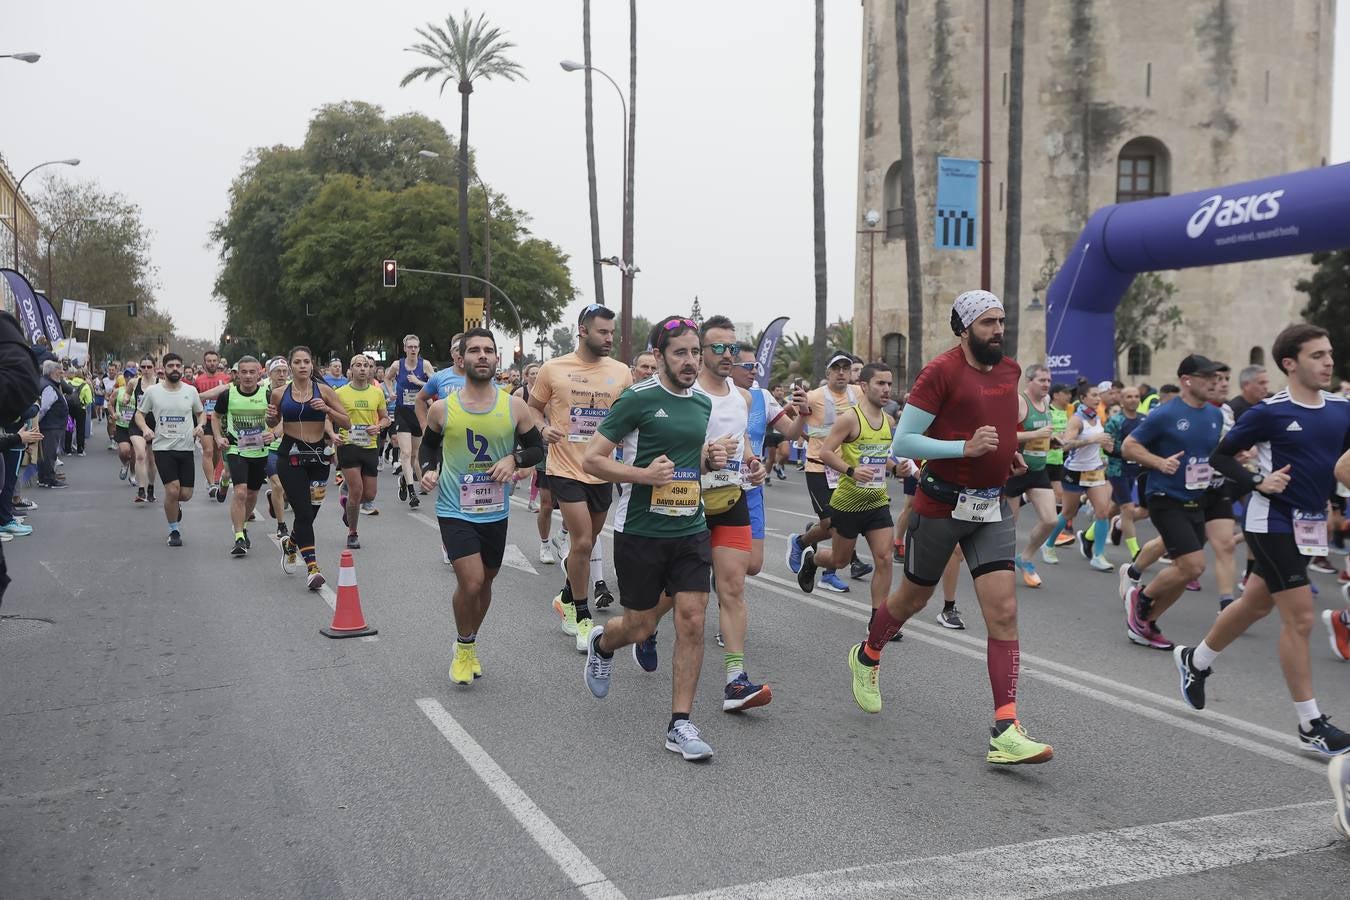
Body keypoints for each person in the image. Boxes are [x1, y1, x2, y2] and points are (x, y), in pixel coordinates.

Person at [847, 290, 1053, 766]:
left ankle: (1005, 728)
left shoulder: (1009, 371)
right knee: (912, 600)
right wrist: (965, 449)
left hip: (991, 506)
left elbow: (995, 427)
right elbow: (904, 441)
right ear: (963, 329)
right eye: (987, 323)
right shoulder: (940, 372)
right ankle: (868, 653)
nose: (998, 330)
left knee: (1004, 612)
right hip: (941, 505)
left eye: (1001, 321)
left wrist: (1007, 454)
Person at [1172, 325, 1350, 756]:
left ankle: (1195, 660)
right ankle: (1310, 723)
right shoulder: (1270, 411)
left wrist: (1333, 504)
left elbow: (1336, 463)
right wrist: (1257, 481)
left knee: (1255, 604)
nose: (1328, 362)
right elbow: (1220, 456)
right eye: (1317, 355)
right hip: (1271, 521)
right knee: (1300, 619)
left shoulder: (1342, 409)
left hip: (1309, 524)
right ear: (1290, 363)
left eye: (1329, 353)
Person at [579, 315, 728, 761]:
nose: (690, 361)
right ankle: (603, 643)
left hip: (690, 528)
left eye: (695, 352)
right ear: (660, 356)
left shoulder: (701, 403)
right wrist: (643, 475)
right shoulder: (637, 399)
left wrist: (710, 459)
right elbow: (592, 460)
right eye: (680, 352)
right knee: (640, 626)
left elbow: (689, 459)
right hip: (641, 532)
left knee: (693, 619)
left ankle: (680, 723)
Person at [418, 328, 545, 685]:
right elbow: (428, 448)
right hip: (454, 508)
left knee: (486, 580)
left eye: (488, 350)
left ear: (496, 358)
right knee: (471, 581)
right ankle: (463, 647)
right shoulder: (443, 408)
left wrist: (513, 459)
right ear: (461, 359)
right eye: (474, 350)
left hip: (495, 510)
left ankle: (470, 641)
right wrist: (428, 470)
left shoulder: (514, 406)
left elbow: (536, 449)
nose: (483, 355)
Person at [529, 304, 632, 652]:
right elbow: (533, 408)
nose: (609, 338)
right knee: (584, 542)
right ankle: (583, 617)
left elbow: (629, 416)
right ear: (583, 331)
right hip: (564, 468)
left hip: (601, 469)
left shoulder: (621, 372)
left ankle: (565, 597)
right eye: (603, 332)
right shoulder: (553, 368)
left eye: (612, 332)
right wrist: (542, 428)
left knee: (584, 545)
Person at [686, 316, 772, 709]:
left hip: (731, 501)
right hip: (689, 503)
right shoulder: (687, 395)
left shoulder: (743, 398)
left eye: (732, 348)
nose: (726, 354)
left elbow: (745, 444)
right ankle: (643, 631)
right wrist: (705, 454)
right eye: (718, 347)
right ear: (701, 351)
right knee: (678, 596)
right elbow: (671, 447)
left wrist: (754, 464)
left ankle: (736, 681)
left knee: (733, 588)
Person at [1119, 355, 1226, 650]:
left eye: (1215, 377)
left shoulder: (1215, 415)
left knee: (1184, 570)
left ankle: (1145, 624)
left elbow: (1206, 454)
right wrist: (1159, 462)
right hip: (1165, 497)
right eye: (1207, 377)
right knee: (1193, 566)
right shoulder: (1166, 414)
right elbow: (1129, 446)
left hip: (1197, 497)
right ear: (1186, 380)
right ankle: (1139, 598)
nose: (1213, 382)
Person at [797, 363, 900, 636]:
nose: (886, 389)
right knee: (839, 560)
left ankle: (878, 620)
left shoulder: (889, 422)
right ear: (864, 386)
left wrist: (895, 467)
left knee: (885, 558)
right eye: (880, 383)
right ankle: (812, 561)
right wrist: (852, 471)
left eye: (889, 384)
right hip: (848, 504)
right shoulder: (850, 419)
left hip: (877, 501)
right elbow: (826, 452)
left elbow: (881, 457)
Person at [265, 346, 351, 590]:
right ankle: (313, 568)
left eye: (306, 362)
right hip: (290, 457)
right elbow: (273, 421)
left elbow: (347, 422)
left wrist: (327, 409)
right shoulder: (279, 393)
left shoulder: (324, 391)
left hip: (318, 459)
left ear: (312, 365)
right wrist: (270, 418)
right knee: (302, 513)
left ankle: (291, 544)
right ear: (290, 366)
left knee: (310, 514)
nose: (302, 366)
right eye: (297, 362)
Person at [786, 352, 866, 593]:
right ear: (828, 372)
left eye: (846, 368)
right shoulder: (813, 396)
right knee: (832, 525)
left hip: (846, 470)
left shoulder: (859, 393)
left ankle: (829, 574)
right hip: (818, 468)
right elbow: (789, 415)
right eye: (836, 368)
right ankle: (800, 542)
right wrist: (806, 431)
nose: (841, 372)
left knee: (844, 524)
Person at [134, 353, 205, 546]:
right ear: (163, 369)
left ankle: (174, 505)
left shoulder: (191, 391)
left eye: (178, 365)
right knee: (172, 491)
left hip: (186, 447)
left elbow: (200, 413)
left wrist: (200, 425)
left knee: (185, 494)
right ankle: (174, 530)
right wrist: (145, 428)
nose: (175, 368)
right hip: (163, 448)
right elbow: (139, 414)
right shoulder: (153, 392)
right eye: (171, 365)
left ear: (182, 368)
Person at [1047, 382, 1115, 572]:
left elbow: (1099, 442)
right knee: (1068, 512)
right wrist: (1091, 440)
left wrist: (1106, 445)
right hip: (1075, 471)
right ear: (1083, 398)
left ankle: (1098, 556)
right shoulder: (1077, 420)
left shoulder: (1098, 417)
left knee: (1103, 512)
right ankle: (1048, 544)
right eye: (1093, 395)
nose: (1097, 398)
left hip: (1095, 470)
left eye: (1098, 395)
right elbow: (1066, 445)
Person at [209, 356, 271, 556]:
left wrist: (275, 433)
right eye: (243, 372)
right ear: (236, 374)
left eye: (252, 372)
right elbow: (215, 416)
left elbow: (281, 419)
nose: (248, 376)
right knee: (241, 492)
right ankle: (238, 538)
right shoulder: (228, 395)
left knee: (252, 494)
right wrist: (218, 437)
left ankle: (243, 526)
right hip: (236, 449)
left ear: (259, 374)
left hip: (260, 451)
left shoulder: (267, 394)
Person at [1007, 363, 1059, 586]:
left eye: (1049, 380)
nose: (1047, 384)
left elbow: (1042, 434)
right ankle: (1000, 566)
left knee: (1050, 520)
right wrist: (1036, 434)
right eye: (1042, 380)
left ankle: (1025, 557)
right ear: (1029, 381)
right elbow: (1006, 435)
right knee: (1009, 526)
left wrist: (1052, 440)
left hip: (1038, 470)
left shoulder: (1046, 402)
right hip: (1015, 470)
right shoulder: (1019, 402)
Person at [334, 353, 390, 550]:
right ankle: (352, 533)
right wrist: (332, 435)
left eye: (366, 365)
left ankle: (349, 505)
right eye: (358, 365)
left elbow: (385, 418)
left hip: (370, 446)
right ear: (350, 370)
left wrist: (379, 426)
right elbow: (329, 418)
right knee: (356, 490)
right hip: (348, 445)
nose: (363, 369)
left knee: (369, 495)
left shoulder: (377, 393)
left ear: (370, 369)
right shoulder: (340, 393)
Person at [391, 334, 436, 510]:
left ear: (419, 348)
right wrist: (391, 392)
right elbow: (387, 378)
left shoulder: (425, 365)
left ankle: (404, 479)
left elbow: (435, 383)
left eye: (415, 347)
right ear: (405, 348)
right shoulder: (397, 365)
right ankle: (412, 493)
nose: (413, 349)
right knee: (406, 452)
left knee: (415, 454)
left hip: (419, 412)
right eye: (410, 347)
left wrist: (419, 382)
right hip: (402, 412)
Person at [195, 351, 232, 498]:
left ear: (218, 362)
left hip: (221, 420)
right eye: (209, 361)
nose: (212, 363)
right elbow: (196, 401)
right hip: (205, 419)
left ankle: (211, 474)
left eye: (214, 360)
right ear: (204, 363)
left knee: (217, 453)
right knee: (208, 450)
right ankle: (212, 484)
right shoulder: (199, 380)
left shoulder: (226, 378)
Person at [35, 361, 69, 489]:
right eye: (59, 371)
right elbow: (44, 407)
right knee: (49, 453)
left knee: (45, 453)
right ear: (53, 372)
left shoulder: (46, 383)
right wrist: (37, 421)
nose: (62, 374)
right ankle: (49, 479)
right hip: (51, 425)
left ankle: (44, 478)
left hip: (50, 424)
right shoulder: (49, 386)